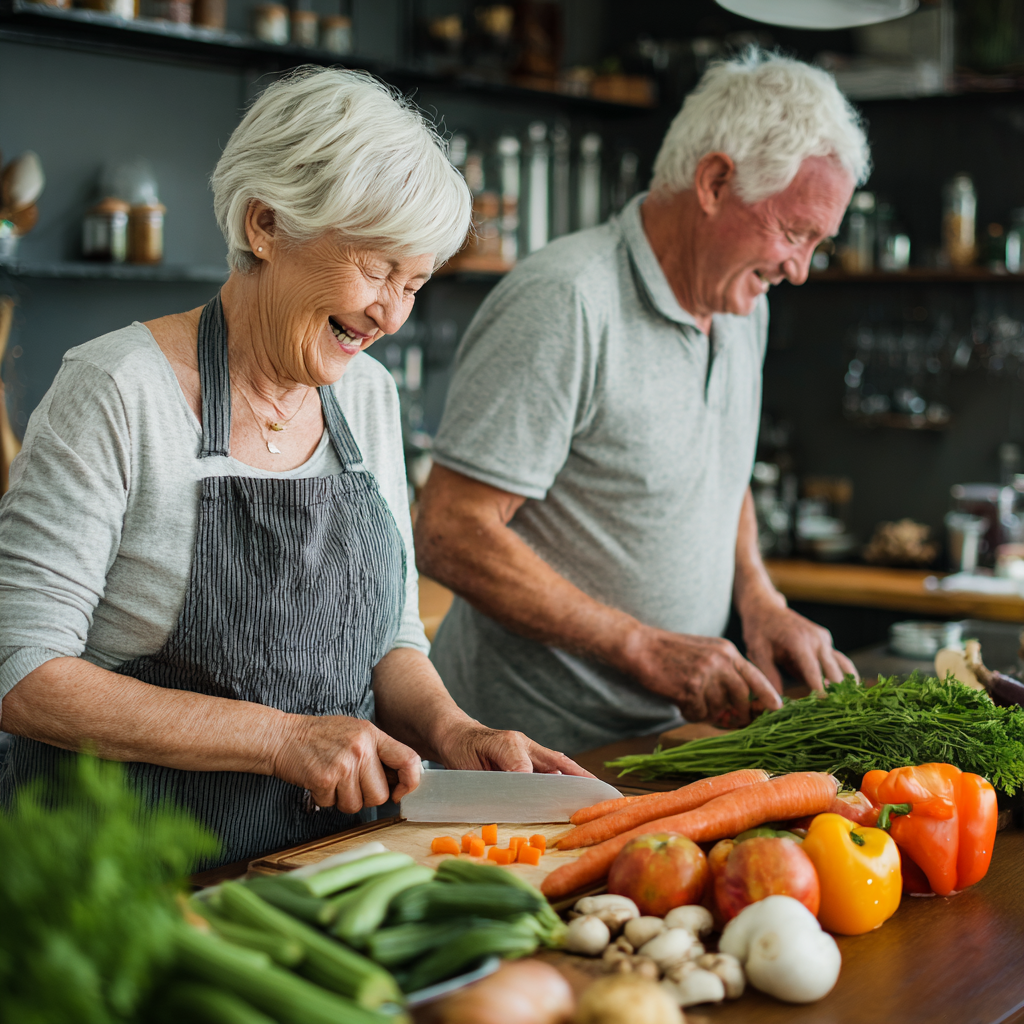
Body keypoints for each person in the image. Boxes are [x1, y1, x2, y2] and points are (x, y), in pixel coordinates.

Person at [0, 69, 588, 868]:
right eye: (378, 270)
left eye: (413, 284)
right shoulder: (117, 391)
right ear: (267, 223)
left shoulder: (368, 397)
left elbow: (389, 636)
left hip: (325, 867)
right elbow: (24, 671)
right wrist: (280, 739)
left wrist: (454, 730)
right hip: (126, 886)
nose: (392, 315)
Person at [416, 50, 870, 755]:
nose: (800, 270)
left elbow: (722, 474)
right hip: (523, 755)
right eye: (795, 232)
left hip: (663, 745)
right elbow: (449, 528)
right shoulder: (567, 300)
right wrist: (641, 646)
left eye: (818, 243)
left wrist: (759, 599)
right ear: (715, 182)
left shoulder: (743, 304)